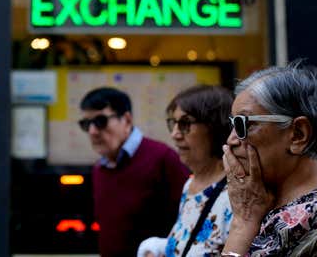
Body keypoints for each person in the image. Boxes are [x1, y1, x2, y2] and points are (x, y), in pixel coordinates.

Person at [220, 60, 317, 256]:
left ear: (298, 134)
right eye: (233, 124)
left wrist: (242, 225)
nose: (232, 140)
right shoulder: (264, 196)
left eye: (244, 124)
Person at [79, 87, 190, 257]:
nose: (93, 131)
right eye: (86, 124)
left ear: (127, 120)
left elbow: (190, 221)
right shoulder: (99, 169)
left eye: (100, 121)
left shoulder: (163, 158)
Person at [138, 84, 235, 257]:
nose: (175, 134)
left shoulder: (236, 195)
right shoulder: (191, 184)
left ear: (214, 127)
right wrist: (154, 248)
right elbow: (184, 243)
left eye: (185, 123)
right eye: (173, 123)